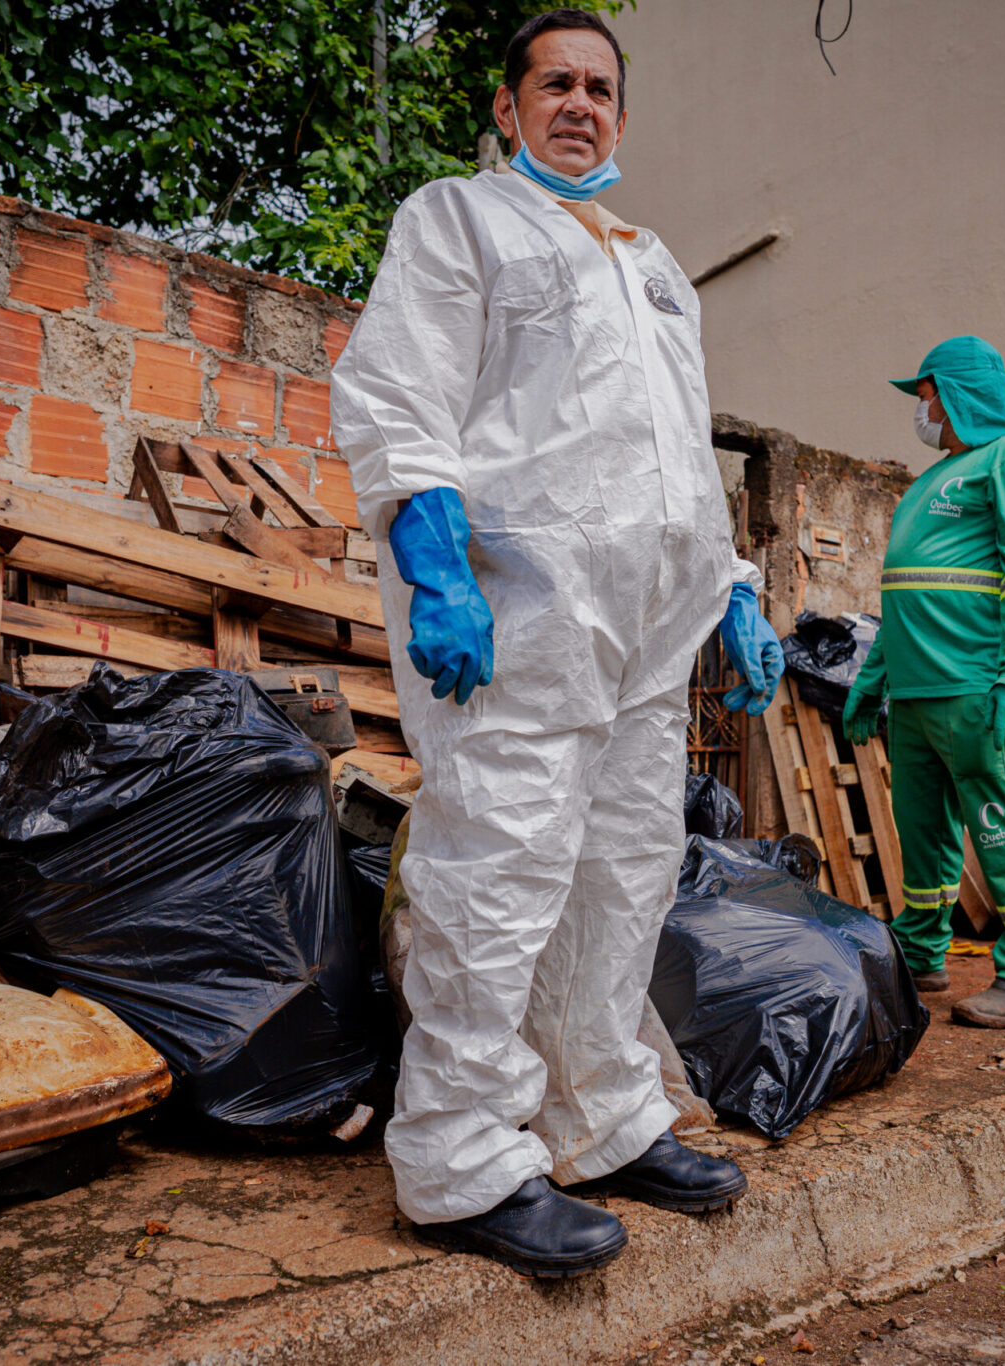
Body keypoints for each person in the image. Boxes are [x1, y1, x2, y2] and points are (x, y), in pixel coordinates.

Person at [329, 10, 781, 1279]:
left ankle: (598, 1116)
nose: (578, 102)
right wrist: (433, 561)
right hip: (519, 607)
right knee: (497, 869)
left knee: (623, 871)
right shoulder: (459, 219)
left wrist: (732, 589)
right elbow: (399, 392)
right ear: (508, 105)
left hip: (647, 627)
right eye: (554, 83)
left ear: (620, 117)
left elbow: (677, 447)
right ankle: (459, 1155)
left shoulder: (653, 263)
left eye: (598, 87)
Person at [842, 337, 1005, 1028]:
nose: (921, 410)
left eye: (925, 395)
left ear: (956, 393)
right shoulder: (928, 481)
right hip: (915, 692)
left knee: (1004, 830)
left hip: (975, 685)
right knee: (922, 834)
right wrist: (873, 678)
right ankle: (919, 954)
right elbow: (905, 590)